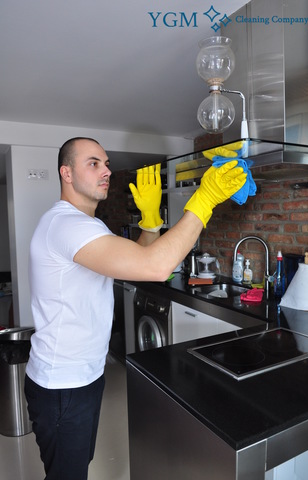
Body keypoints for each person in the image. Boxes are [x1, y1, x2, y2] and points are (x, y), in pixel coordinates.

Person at [24, 137, 247, 480]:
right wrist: (203, 201)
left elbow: (136, 259)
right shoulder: (67, 225)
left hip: (81, 377)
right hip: (62, 384)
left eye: (107, 163)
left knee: (73, 469)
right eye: (93, 163)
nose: (106, 171)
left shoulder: (85, 224)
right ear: (65, 173)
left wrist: (150, 220)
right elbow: (156, 267)